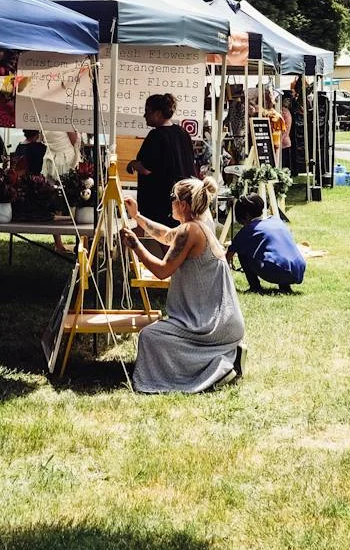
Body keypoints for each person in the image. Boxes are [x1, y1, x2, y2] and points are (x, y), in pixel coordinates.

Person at [122, 177, 246, 393]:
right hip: (226, 323)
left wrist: (135, 245)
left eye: (173, 198)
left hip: (211, 326)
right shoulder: (200, 226)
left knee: (150, 337)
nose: (170, 202)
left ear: (183, 205)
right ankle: (225, 357)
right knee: (159, 333)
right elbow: (165, 235)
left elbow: (162, 271)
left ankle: (221, 364)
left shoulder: (189, 231)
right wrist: (137, 217)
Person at [127, 93, 195, 227]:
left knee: (164, 235)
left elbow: (146, 168)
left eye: (147, 111)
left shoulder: (156, 136)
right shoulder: (182, 133)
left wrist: (133, 164)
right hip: (184, 193)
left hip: (160, 198)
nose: (144, 115)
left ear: (158, 113)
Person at [226, 193, 306, 293]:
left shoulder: (247, 230)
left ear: (245, 215)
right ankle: (285, 287)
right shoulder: (276, 221)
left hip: (277, 271)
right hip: (298, 270)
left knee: (242, 252)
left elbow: (228, 256)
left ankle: (255, 286)